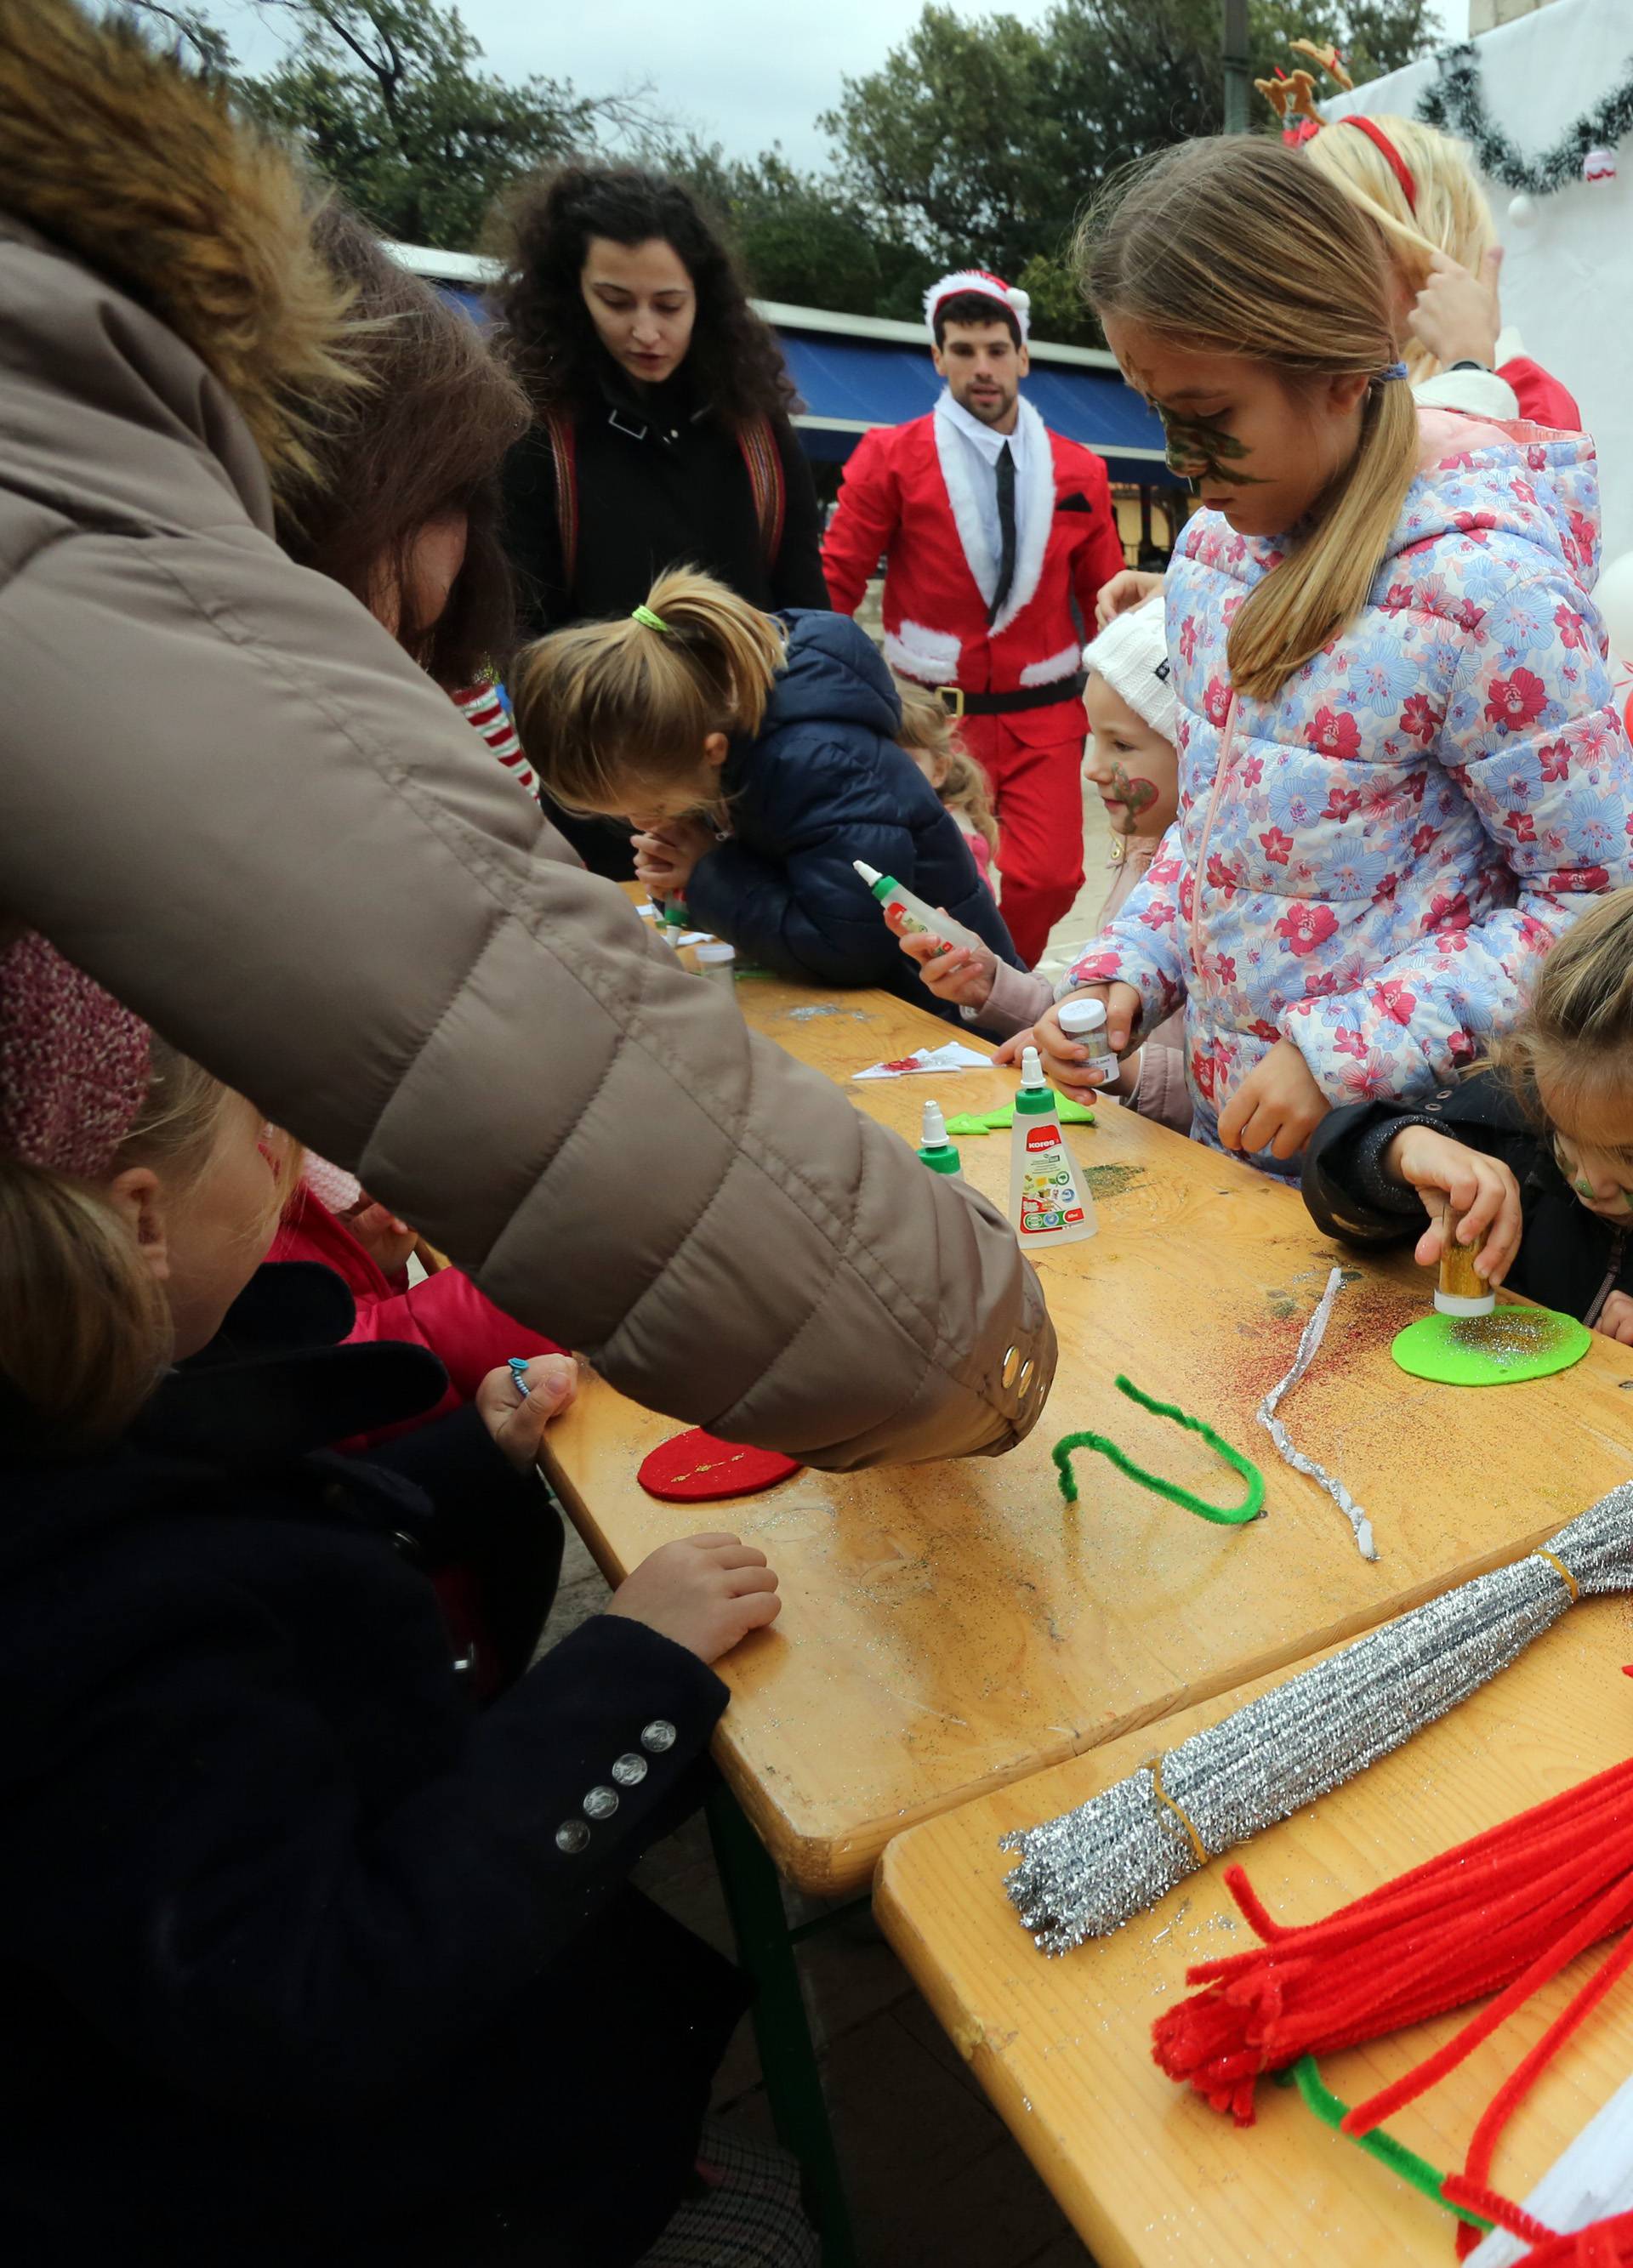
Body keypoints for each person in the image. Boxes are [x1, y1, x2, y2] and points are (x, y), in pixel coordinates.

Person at [0, 0, 1053, 1473]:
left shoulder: (758, 520)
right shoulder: (89, 536)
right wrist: (968, 1326)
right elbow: (509, 1014)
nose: (408, 664)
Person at [0, 930, 817, 2268]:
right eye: (259, 1123)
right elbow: (329, 1983)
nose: (282, 1152)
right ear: (141, 1220)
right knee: (771, 2234)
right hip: (332, 2192)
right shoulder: (96, 1610)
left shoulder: (76, 1437)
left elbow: (253, 1560)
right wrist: (630, 1662)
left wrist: (459, 1459)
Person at [1027, 137, 1631, 1177]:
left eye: (1209, 417)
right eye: (1157, 413)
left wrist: (1348, 1050)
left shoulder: (1492, 597)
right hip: (1249, 1168)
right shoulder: (1214, 560)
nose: (1179, 463)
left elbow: (1594, 907)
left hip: (1437, 1185)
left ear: (1344, 373)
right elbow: (1220, 833)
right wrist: (1137, 964)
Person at [494, 162, 828, 876]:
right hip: (606, 802)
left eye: (669, 304)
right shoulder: (535, 436)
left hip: (756, 789)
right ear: (568, 293)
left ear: (705, 299)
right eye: (615, 301)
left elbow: (809, 615)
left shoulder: (760, 433)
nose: (646, 330)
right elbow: (525, 645)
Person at [510, 568, 1023, 1019]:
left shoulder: (817, 763)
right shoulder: (744, 736)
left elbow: (848, 946)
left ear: (710, 751)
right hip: (895, 1008)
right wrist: (688, 880)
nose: (642, 822)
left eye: (656, 805)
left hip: (954, 1017)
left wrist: (708, 871)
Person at [821, 268, 1127, 967]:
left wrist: (1133, 709)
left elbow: (1107, 599)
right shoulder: (888, 457)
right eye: (962, 350)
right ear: (937, 357)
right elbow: (833, 581)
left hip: (1044, 717)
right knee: (945, 876)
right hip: (930, 714)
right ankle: (968, 993)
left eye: (996, 349)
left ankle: (992, 985)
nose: (981, 368)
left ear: (1023, 355)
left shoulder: (1080, 469)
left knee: (1052, 878)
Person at [898, 597, 1191, 1131]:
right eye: (1091, 740)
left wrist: (1116, 1070)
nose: (1091, 769)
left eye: (1121, 744)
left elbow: (1240, 1086)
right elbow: (1085, 1022)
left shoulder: (1233, 890)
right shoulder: (1142, 853)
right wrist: (987, 984)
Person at [1303, 889, 1633, 1344]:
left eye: (1628, 1157)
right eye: (1565, 1135)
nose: (1588, 1183)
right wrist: (1399, 1149)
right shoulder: (1512, 1113)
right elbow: (1335, 1179)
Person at [1301, 111, 1581, 429]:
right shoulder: (1328, 386)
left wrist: (1468, 370)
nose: (1315, 271)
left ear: (1420, 242)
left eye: (1339, 240)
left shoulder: (1529, 401)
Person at [895, 679, 1002, 890]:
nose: (889, 769)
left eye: (906, 759)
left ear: (939, 770)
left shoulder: (955, 843)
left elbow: (973, 914)